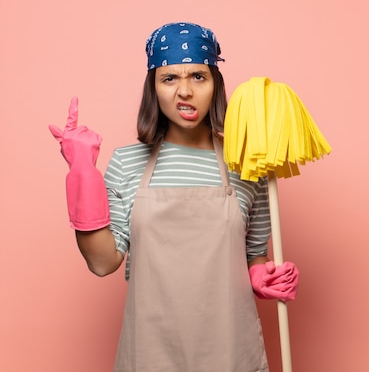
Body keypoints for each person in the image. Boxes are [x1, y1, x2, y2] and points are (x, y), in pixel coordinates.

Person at [49, 22, 300, 371]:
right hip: (151, 353)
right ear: (153, 88)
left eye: (198, 76)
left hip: (230, 353)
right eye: (169, 79)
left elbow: (254, 256)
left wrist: (262, 277)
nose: (185, 91)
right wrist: (81, 174)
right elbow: (102, 262)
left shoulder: (246, 165)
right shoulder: (127, 162)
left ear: (215, 85)